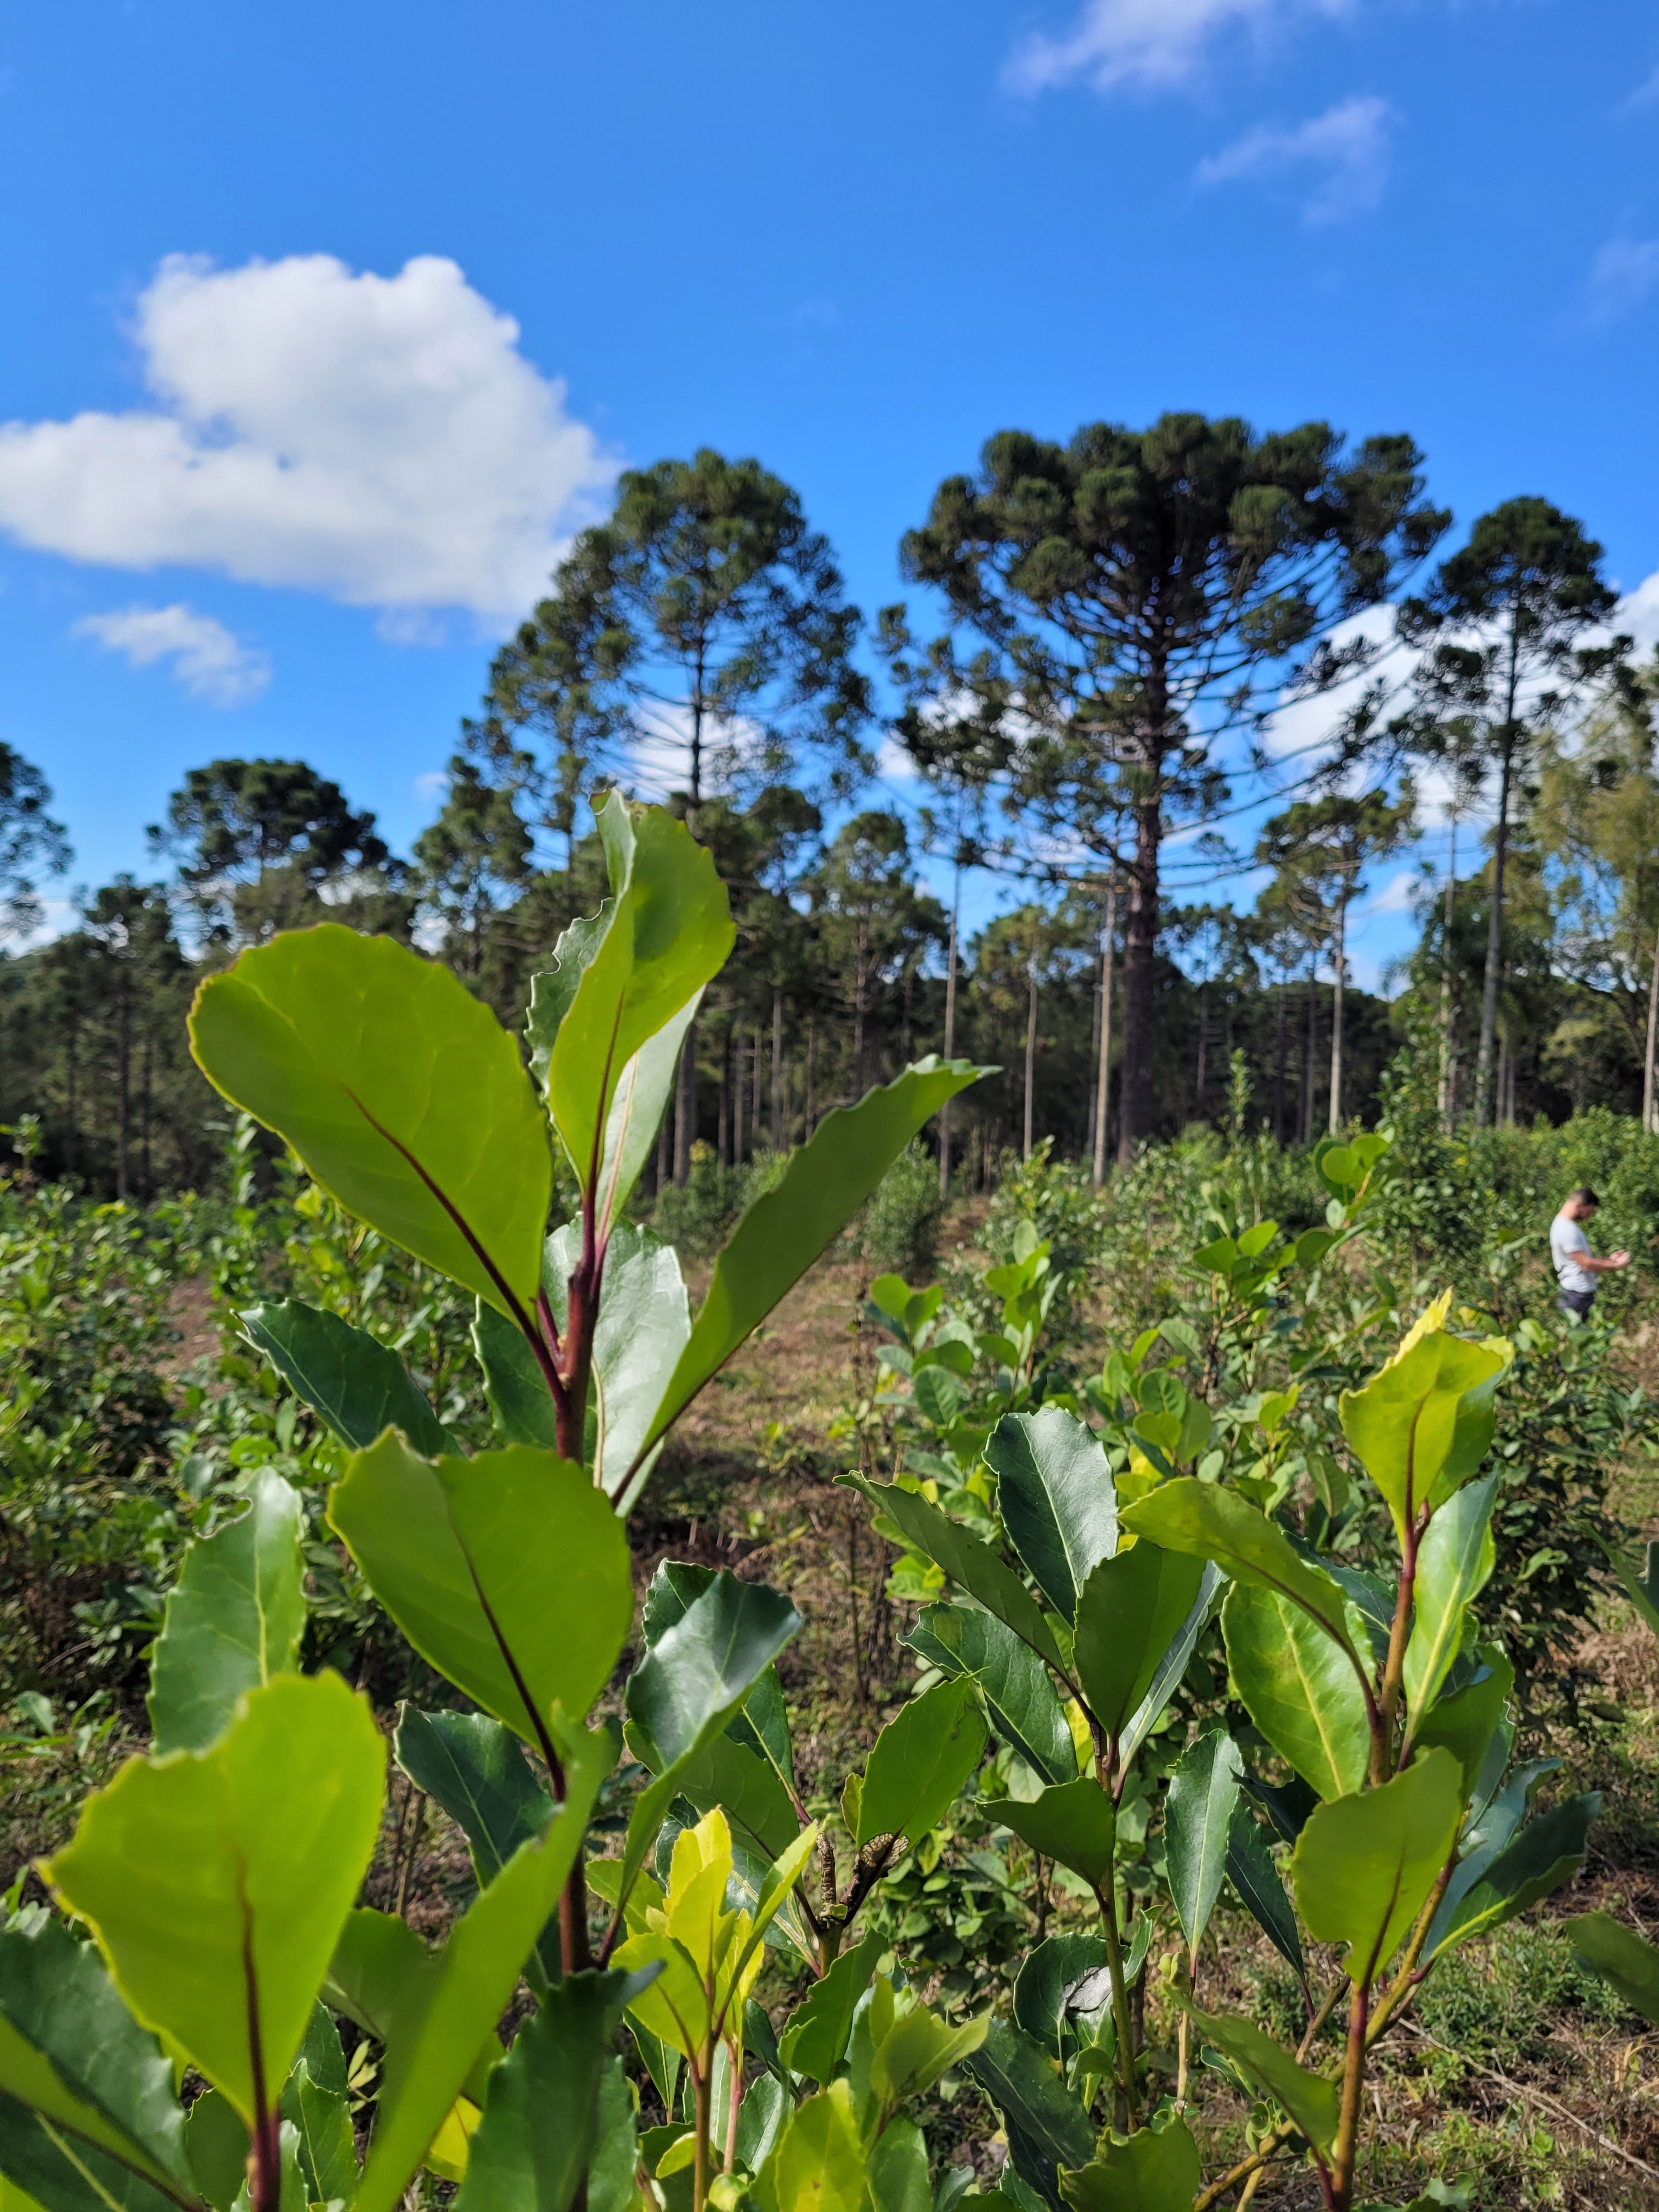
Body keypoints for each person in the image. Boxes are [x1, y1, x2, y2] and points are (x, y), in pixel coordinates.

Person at [1549, 1187, 1628, 1322]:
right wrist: (1617, 1264)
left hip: (1575, 1295)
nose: (1589, 1216)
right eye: (1589, 1211)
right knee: (1576, 1339)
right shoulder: (1567, 1230)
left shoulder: (1564, 1226)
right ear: (1579, 1205)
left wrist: (1610, 1260)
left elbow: (1581, 1262)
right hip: (1575, 1297)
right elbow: (1586, 1264)